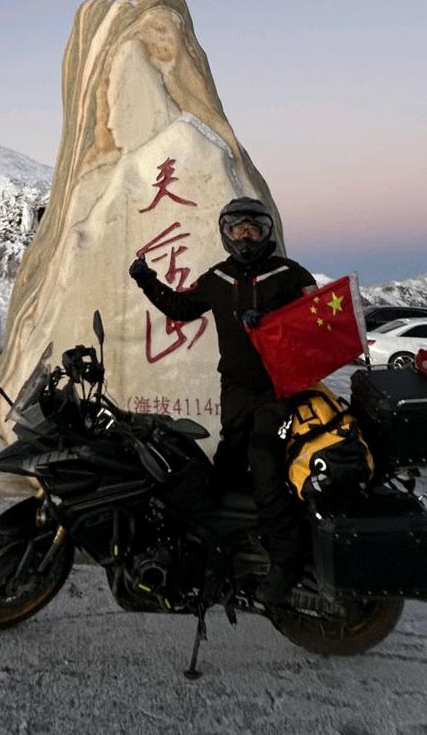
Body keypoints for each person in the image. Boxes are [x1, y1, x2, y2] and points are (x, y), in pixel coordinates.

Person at [128, 196, 316, 604]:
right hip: (235, 387)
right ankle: (232, 547)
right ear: (226, 233)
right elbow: (181, 308)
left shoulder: (289, 274)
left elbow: (314, 322)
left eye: (255, 228)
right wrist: (146, 279)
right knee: (229, 463)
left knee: (265, 463)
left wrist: (271, 323)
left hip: (279, 390)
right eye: (239, 228)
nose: (247, 235)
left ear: (267, 232)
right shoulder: (218, 277)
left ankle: (286, 563)